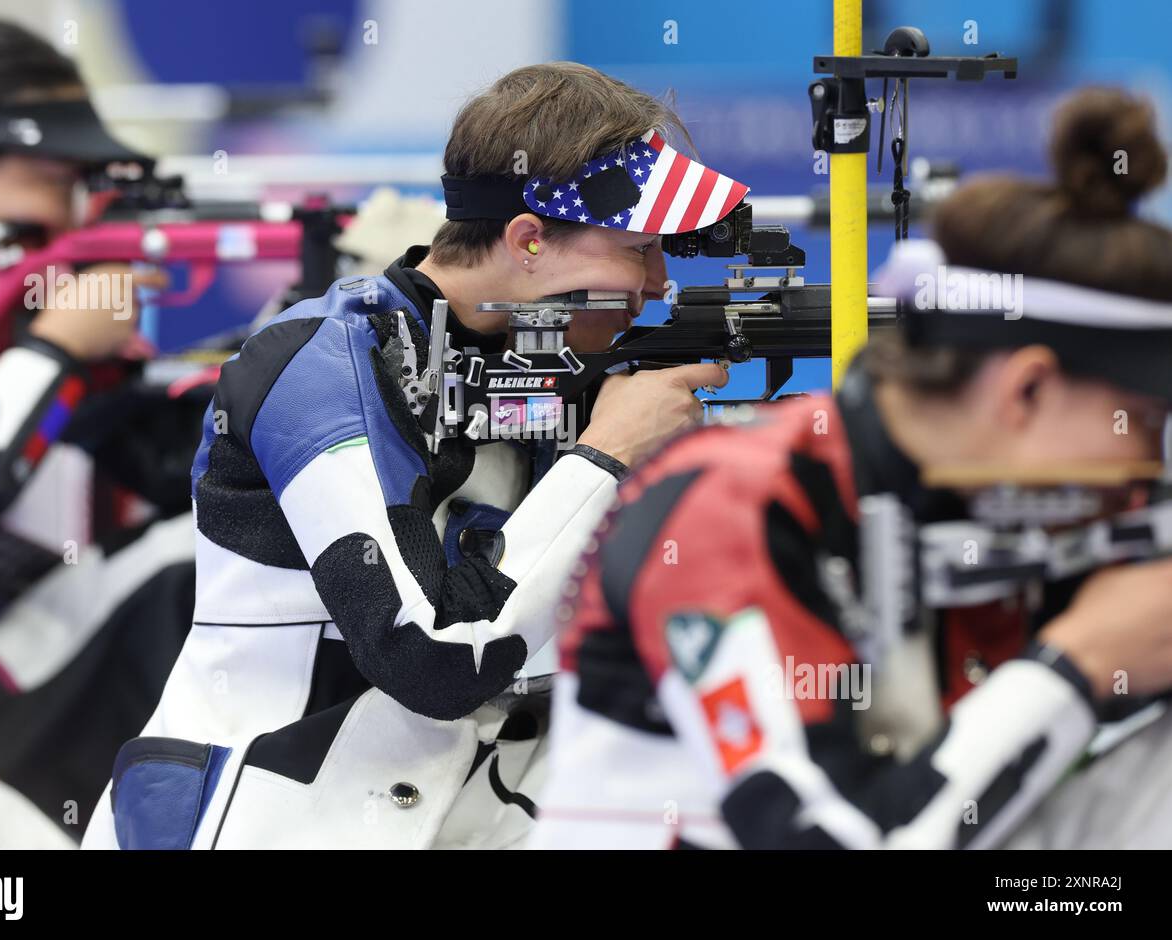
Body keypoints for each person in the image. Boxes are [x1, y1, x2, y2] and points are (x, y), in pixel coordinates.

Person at [83, 61, 737, 849]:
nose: (660, 283)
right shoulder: (320, 364)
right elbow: (429, 657)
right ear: (529, 240)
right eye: (639, 251)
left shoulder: (547, 368)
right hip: (251, 821)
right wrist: (605, 456)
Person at [530, 87, 1172, 849]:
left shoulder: (990, 501)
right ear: (1026, 389)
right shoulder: (732, 503)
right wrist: (1081, 663)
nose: (1148, 467)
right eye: (1146, 425)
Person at [0, 20, 203, 847]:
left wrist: (290, 342)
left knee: (184, 559)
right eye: (59, 179)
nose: (72, 215)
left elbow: (161, 470)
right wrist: (53, 351)